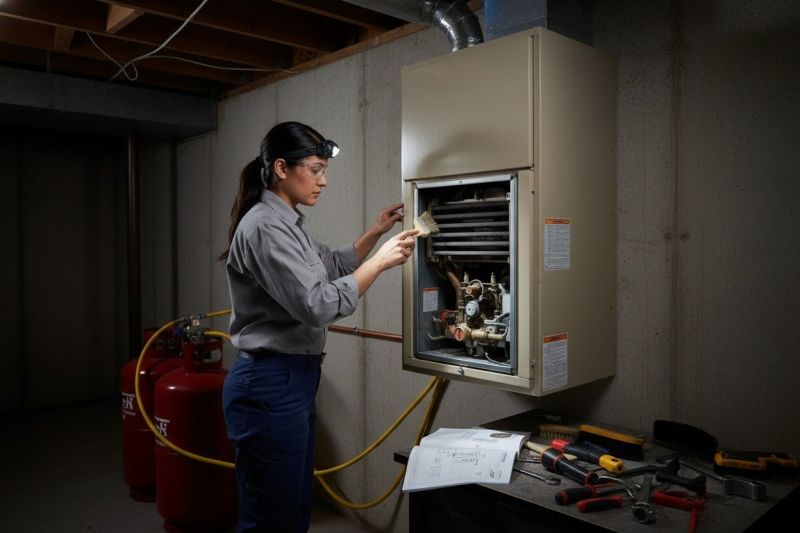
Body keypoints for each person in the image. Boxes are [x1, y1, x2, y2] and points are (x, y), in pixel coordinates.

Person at [220, 121, 417, 532]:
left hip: (293, 379)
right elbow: (317, 304)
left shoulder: (287, 222)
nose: (323, 181)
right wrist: (379, 262)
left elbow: (328, 266)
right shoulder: (263, 227)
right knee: (269, 518)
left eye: (324, 170)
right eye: (315, 169)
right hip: (268, 382)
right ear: (280, 168)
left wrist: (376, 232)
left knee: (292, 509)